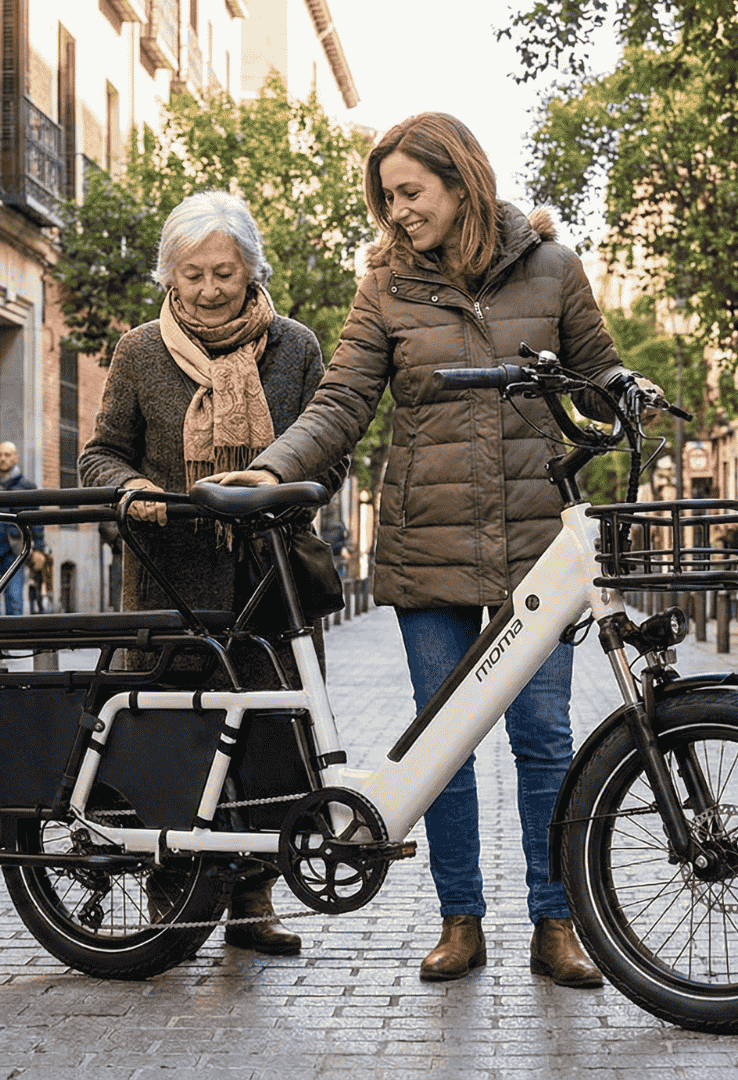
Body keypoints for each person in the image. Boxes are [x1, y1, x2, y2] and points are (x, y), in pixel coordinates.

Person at [212, 113, 663, 988]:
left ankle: (556, 921)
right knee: (441, 745)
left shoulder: (553, 267)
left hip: (537, 541)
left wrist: (626, 392)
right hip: (428, 542)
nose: (397, 211)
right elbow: (342, 401)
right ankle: (461, 921)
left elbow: (599, 369)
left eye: (410, 192)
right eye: (387, 198)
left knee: (543, 740)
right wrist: (270, 468)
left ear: (460, 180)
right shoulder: (385, 288)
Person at [78, 190, 343, 957]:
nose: (208, 289)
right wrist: (130, 490)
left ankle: (253, 902)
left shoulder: (294, 347)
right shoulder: (138, 351)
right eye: (192, 273)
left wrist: (277, 492)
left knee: (271, 736)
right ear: (171, 273)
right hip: (170, 583)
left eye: (224, 271)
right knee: (174, 737)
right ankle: (173, 898)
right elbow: (101, 453)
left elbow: (332, 449)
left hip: (270, 581)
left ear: (251, 270)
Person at [0, 441, 44, 618]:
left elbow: (37, 521)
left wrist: (39, 550)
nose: (3, 459)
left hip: (15, 550)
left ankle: (12, 638)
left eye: (7, 455)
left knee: (15, 597)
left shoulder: (27, 486)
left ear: (15, 457)